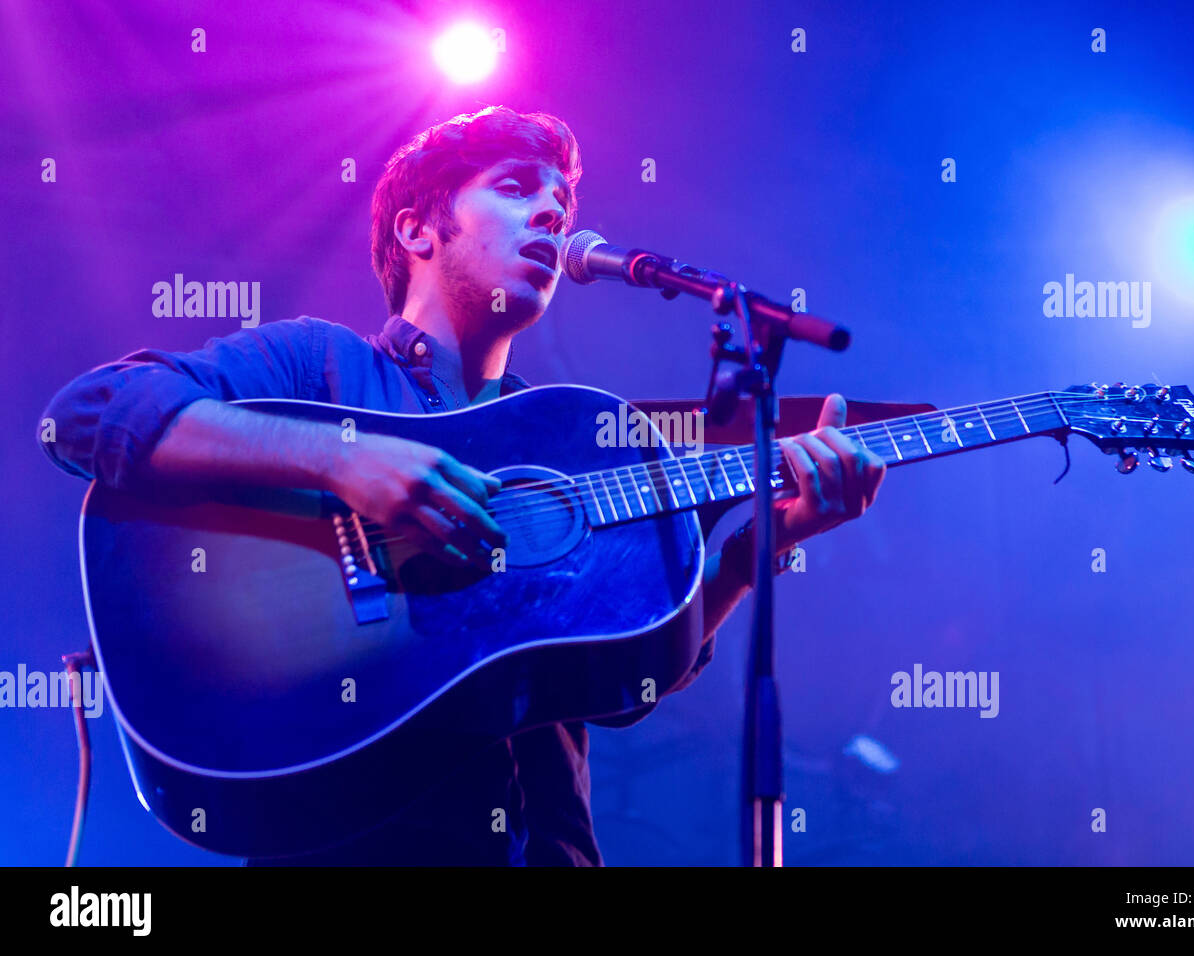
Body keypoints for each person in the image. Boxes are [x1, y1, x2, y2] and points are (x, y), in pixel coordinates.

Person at [37, 106, 886, 865]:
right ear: (416, 230)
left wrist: (750, 550)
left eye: (562, 202)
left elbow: (628, 681)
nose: (553, 212)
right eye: (518, 189)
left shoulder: (573, 438)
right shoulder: (316, 366)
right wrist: (339, 459)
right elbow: (87, 414)